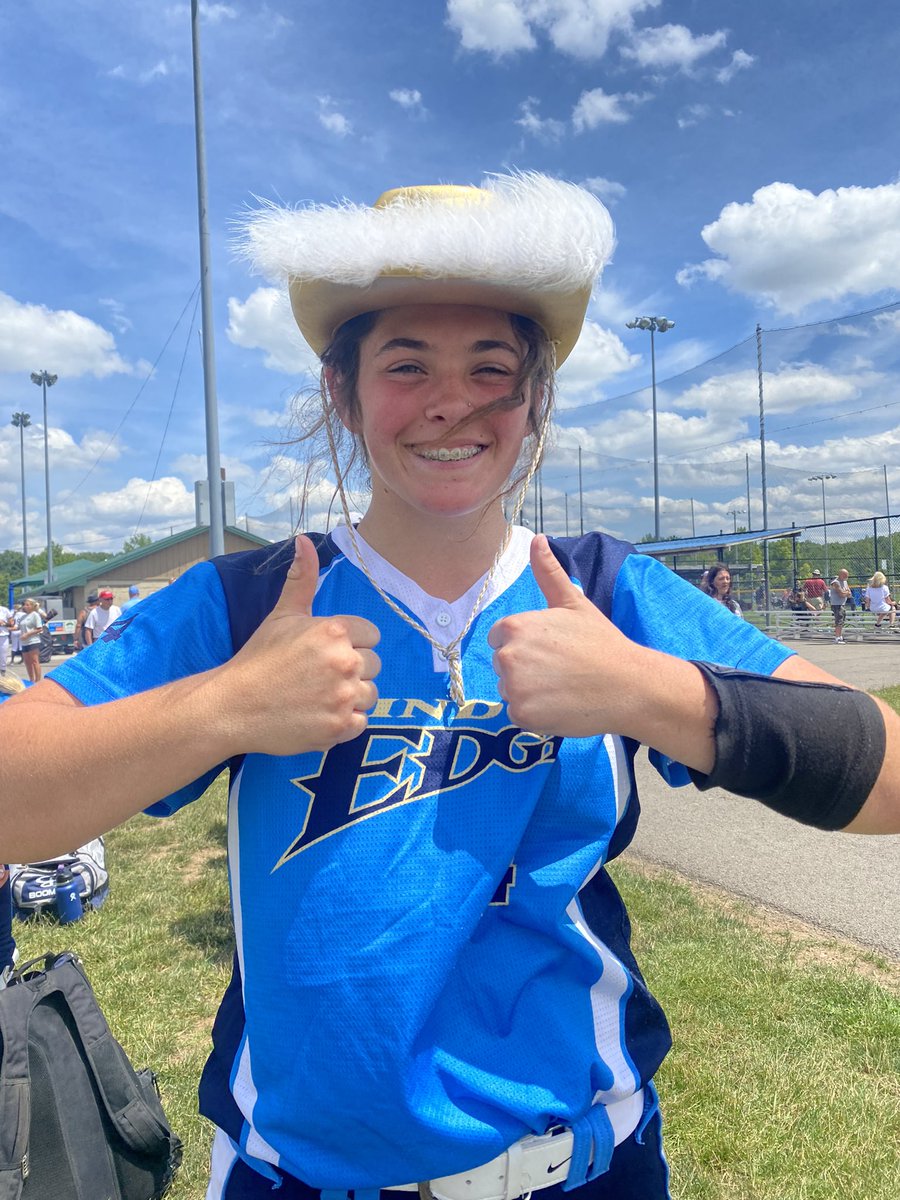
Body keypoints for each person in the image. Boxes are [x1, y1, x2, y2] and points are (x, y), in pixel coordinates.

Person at [1, 173, 899, 1200]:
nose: (451, 401)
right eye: (406, 364)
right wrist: (227, 706)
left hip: (586, 1168)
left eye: (491, 367)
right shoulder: (251, 602)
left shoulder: (604, 592)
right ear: (341, 392)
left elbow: (885, 777)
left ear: (535, 395)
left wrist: (647, 690)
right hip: (299, 1176)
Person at [18, 597, 45, 683]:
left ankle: (38, 680)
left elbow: (39, 628)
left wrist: (27, 634)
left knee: (34, 661)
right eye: (24, 605)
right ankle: (31, 680)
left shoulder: (35, 615)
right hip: (24, 642)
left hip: (33, 641)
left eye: (27, 605)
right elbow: (17, 627)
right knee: (27, 662)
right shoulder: (23, 616)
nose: (25, 606)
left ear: (32, 606)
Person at [829, 569, 852, 643]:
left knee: (842, 621)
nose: (846, 577)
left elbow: (849, 594)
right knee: (838, 621)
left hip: (842, 604)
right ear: (841, 575)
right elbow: (841, 594)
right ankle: (837, 637)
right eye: (845, 576)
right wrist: (846, 593)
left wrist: (846, 593)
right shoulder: (835, 583)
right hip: (836, 604)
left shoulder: (845, 582)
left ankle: (840, 636)